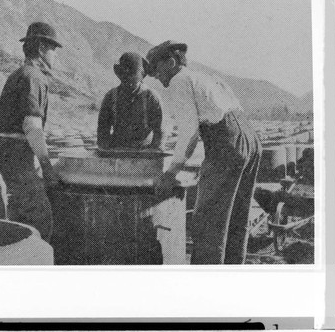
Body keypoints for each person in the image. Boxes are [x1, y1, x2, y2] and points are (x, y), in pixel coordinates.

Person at [146, 41, 262, 264]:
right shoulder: (204, 77)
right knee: (236, 217)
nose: (158, 78)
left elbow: (189, 133)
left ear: (171, 62)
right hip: (249, 139)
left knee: (209, 220)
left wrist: (171, 172)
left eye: (158, 70)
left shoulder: (180, 80)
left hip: (227, 144)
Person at [0, 22, 62, 242]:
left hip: (7, 149)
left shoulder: (20, 74)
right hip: (16, 151)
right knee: (39, 215)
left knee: (20, 210)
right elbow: (32, 126)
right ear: (41, 48)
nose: (54, 56)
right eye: (52, 49)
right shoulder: (34, 77)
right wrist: (47, 166)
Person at [97, 52, 164, 150]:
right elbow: (103, 130)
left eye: (133, 81)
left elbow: (160, 131)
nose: (129, 84)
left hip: (144, 151)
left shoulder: (151, 97)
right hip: (117, 150)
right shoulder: (110, 97)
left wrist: (153, 151)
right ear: (120, 76)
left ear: (140, 78)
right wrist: (105, 149)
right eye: (125, 80)